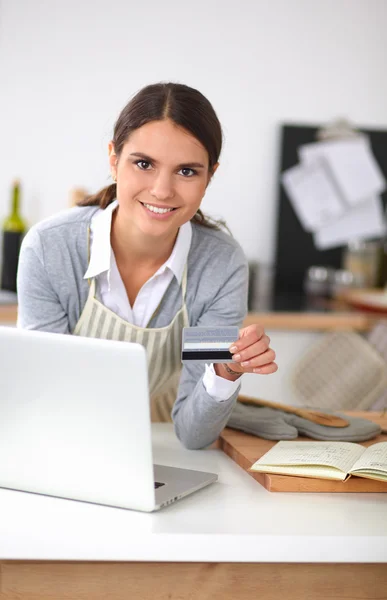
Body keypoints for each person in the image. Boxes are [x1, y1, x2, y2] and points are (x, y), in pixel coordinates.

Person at [17, 82, 277, 449]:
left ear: (209, 176)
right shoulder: (50, 250)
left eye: (187, 171)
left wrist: (226, 369)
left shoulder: (219, 266)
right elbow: (44, 396)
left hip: (148, 448)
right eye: (143, 164)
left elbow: (193, 433)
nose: (161, 190)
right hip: (57, 443)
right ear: (113, 159)